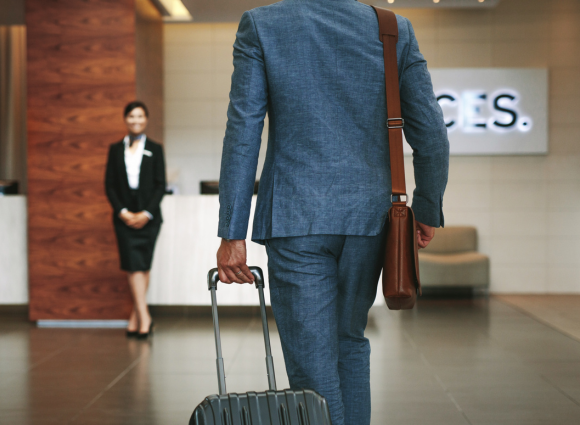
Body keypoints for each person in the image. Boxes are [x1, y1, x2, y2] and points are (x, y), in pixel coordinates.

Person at [216, 2, 449, 425]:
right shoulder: (392, 28)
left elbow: (243, 129)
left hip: (294, 215)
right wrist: (427, 206)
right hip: (369, 217)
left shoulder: (262, 24)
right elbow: (431, 130)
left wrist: (232, 232)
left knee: (310, 365)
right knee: (349, 342)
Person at [105, 101, 166, 339]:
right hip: (124, 218)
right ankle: (145, 317)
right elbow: (109, 185)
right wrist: (123, 212)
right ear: (125, 119)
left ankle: (135, 319)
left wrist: (146, 213)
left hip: (149, 217)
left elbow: (160, 185)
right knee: (133, 266)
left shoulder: (155, 148)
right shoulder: (114, 149)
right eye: (131, 116)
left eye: (140, 116)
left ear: (146, 119)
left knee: (144, 265)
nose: (136, 120)